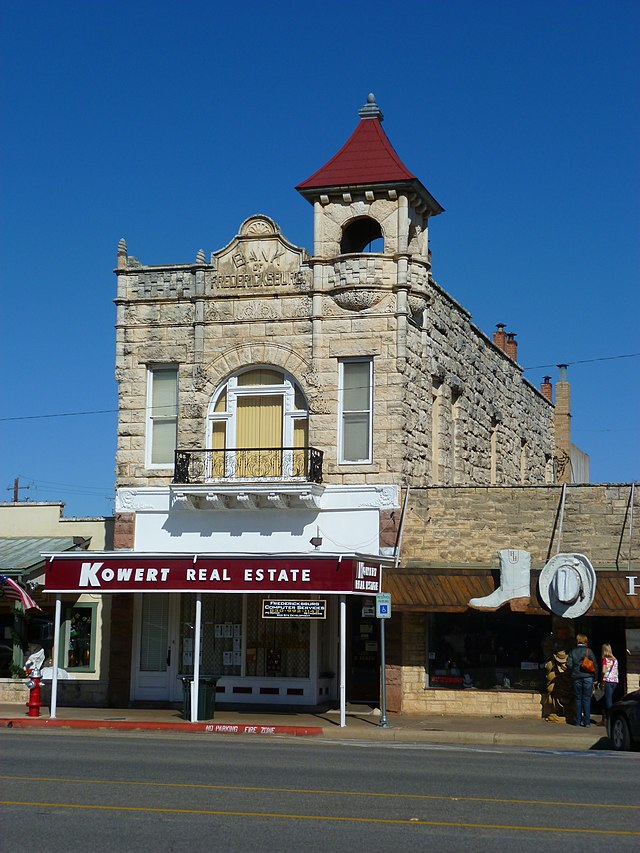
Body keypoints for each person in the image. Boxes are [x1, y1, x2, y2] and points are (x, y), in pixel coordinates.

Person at [565, 633, 598, 727]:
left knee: (578, 699)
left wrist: (572, 670)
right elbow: (595, 665)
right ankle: (587, 722)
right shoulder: (589, 651)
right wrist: (595, 678)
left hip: (576, 677)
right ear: (585, 641)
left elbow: (569, 665)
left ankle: (577, 721)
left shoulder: (573, 651)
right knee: (587, 699)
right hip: (588, 677)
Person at [598, 643, 619, 727]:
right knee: (605, 699)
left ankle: (611, 720)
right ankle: (604, 719)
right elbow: (617, 671)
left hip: (607, 681)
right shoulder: (615, 660)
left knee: (608, 702)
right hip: (614, 681)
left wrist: (602, 679)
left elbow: (603, 671)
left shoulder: (604, 660)